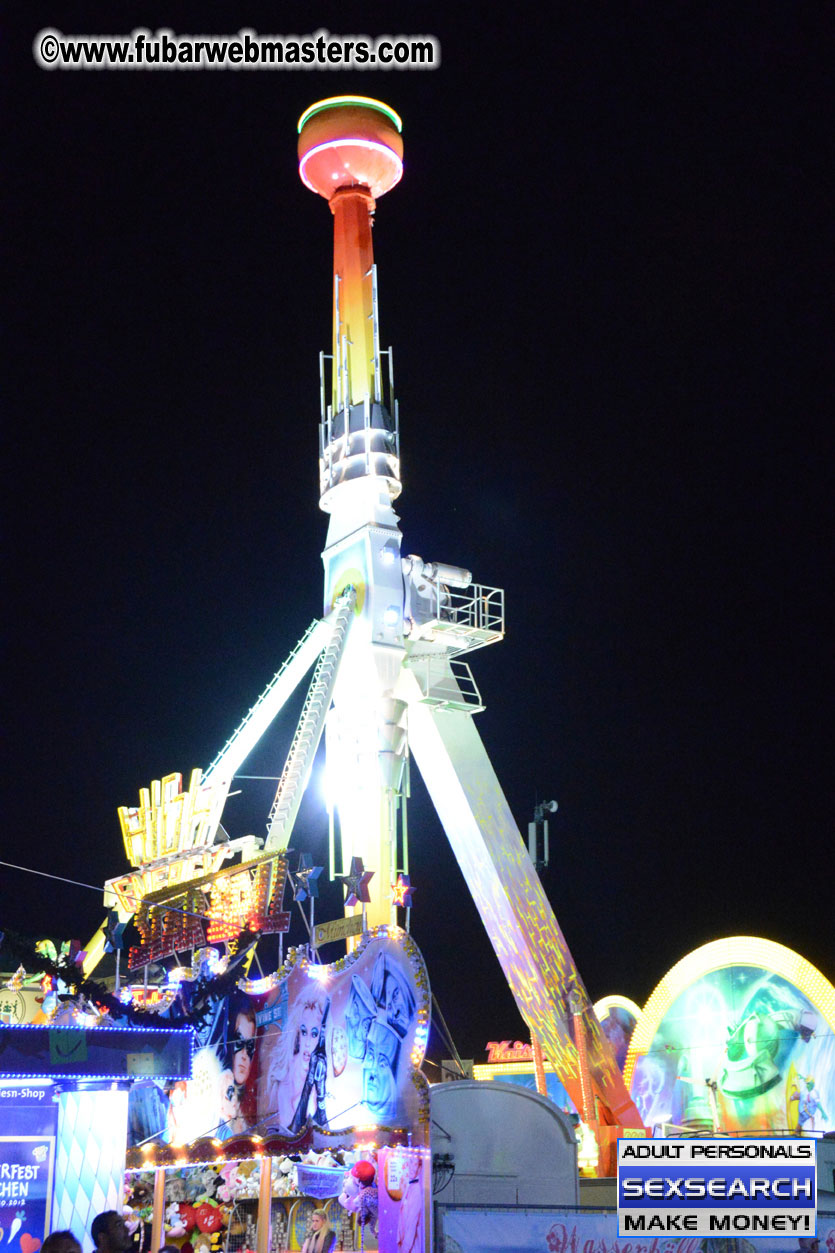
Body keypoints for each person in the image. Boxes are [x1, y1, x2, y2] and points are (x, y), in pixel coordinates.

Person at [266, 992, 329, 1132]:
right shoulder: (286, 1080)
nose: (307, 1043)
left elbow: (328, 1135)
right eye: (304, 1032)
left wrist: (320, 1095)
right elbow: (292, 1139)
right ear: (297, 1033)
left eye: (314, 1034)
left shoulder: (325, 1071)